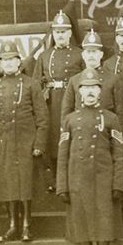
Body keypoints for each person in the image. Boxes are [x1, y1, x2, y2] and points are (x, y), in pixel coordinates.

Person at [57, 70, 123, 245]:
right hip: (77, 180)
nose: (89, 92)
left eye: (94, 88)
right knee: (81, 224)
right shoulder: (70, 120)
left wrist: (118, 184)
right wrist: (62, 186)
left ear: (99, 92)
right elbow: (63, 155)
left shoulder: (111, 118)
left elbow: (119, 155)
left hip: (103, 180)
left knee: (104, 225)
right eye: (85, 88)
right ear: (79, 92)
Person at [0, 41, 49, 242]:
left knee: (26, 183)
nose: (9, 63)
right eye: (5, 60)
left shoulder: (31, 84)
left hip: (25, 142)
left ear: (19, 61)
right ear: (0, 63)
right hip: (4, 144)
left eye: (12, 59)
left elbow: (43, 118)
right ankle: (12, 225)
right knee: (8, 184)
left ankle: (27, 225)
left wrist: (39, 144)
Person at [32, 10, 83, 192]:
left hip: (72, 101)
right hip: (51, 103)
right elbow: (36, 83)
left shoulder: (79, 54)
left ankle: (72, 177)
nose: (60, 35)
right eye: (57, 32)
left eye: (63, 31)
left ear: (70, 33)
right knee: (53, 140)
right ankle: (54, 179)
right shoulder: (45, 56)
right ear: (53, 34)